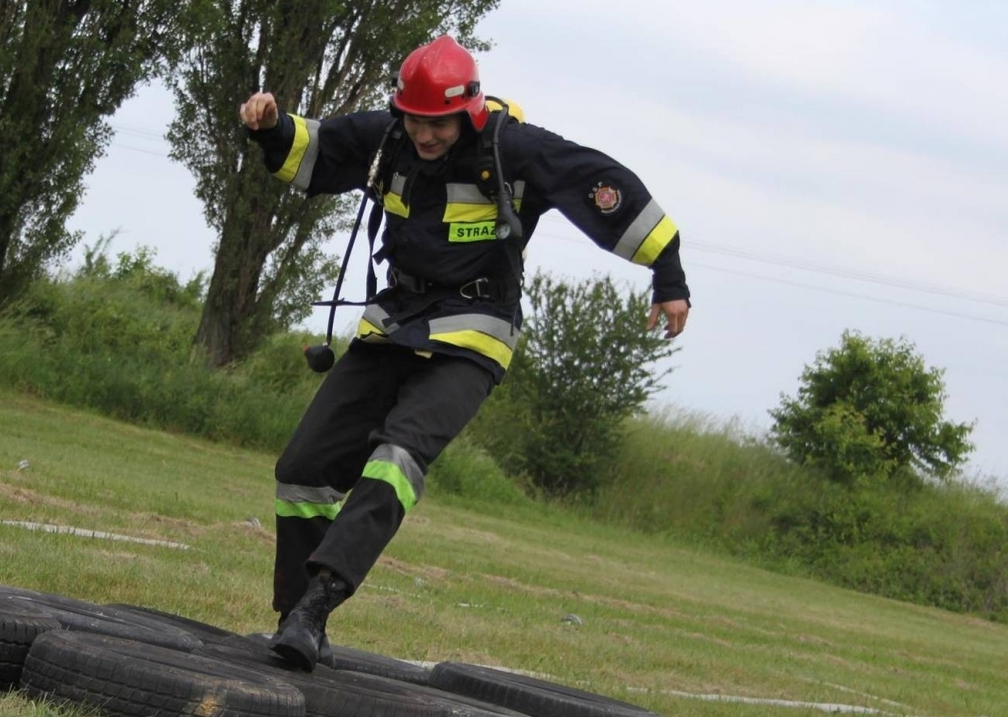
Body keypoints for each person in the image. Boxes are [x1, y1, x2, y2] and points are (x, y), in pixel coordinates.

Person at [239, 35, 692, 670]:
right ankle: (295, 618)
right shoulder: (390, 137)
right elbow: (321, 148)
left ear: (469, 112)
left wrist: (666, 273)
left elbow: (601, 184)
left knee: (396, 456)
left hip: (475, 329)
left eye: (438, 123)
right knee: (301, 467)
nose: (425, 136)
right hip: (396, 319)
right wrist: (270, 126)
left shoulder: (515, 151)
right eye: (416, 121)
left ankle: (318, 606)